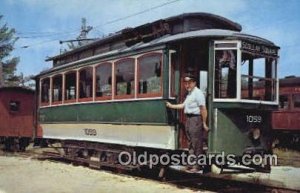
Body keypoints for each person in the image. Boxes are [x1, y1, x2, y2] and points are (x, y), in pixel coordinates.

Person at [166, 74, 209, 172]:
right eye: (186, 83)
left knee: (196, 143)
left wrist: (204, 123)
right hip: (189, 119)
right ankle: (191, 164)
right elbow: (183, 106)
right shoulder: (190, 94)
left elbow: (203, 109)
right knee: (190, 143)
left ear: (194, 83)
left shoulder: (198, 93)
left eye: (189, 83)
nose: (187, 85)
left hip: (196, 119)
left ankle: (198, 166)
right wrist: (171, 106)